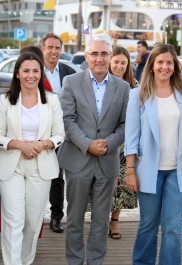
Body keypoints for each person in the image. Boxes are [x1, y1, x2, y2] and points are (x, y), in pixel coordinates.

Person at [125, 44, 182, 265]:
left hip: (179, 172)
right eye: (160, 62)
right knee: (148, 225)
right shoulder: (138, 95)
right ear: (152, 66)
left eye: (169, 62)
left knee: (172, 228)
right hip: (148, 171)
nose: (164, 66)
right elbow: (131, 136)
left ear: (175, 66)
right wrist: (130, 171)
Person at [58, 34, 130, 265]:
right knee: (75, 218)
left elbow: (126, 124)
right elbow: (67, 120)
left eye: (104, 54)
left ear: (111, 56)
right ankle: (75, 261)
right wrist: (87, 144)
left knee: (101, 220)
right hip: (78, 159)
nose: (99, 59)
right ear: (87, 56)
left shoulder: (123, 87)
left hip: (107, 161)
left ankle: (96, 261)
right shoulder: (71, 82)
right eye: (94, 54)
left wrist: (109, 143)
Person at [0, 52, 65, 265]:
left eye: (35, 71)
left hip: (41, 166)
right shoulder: (6, 101)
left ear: (41, 74)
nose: (31, 75)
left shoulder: (52, 101)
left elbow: (60, 134)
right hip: (11, 166)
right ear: (17, 74)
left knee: (32, 223)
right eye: (26, 71)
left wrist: (41, 145)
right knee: (13, 221)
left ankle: (26, 261)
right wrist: (20, 144)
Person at [86, 46, 138, 239]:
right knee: (98, 183)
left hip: (126, 144)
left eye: (123, 63)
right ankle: (99, 220)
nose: (119, 66)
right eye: (116, 61)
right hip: (102, 142)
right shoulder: (100, 83)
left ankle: (114, 222)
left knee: (121, 186)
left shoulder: (134, 87)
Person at [41, 32, 76, 233]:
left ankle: (56, 217)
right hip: (38, 132)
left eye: (57, 48)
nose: (54, 51)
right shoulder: (34, 69)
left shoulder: (67, 72)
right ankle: (33, 217)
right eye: (50, 47)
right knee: (37, 175)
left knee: (57, 175)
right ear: (43, 49)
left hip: (61, 132)